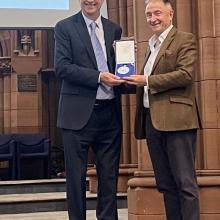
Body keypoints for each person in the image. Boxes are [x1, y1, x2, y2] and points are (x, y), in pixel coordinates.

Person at [124, 0, 200, 219]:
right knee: (166, 184)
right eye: (148, 15)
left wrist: (146, 79)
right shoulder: (152, 45)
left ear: (171, 14)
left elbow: (185, 75)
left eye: (157, 13)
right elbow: (144, 82)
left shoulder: (184, 39)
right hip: (151, 121)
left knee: (185, 184)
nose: (152, 19)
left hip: (177, 121)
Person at [54, 0, 125, 219]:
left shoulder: (114, 29)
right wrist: (98, 76)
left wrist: (125, 60)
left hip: (109, 113)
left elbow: (117, 69)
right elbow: (62, 67)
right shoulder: (64, 27)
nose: (90, 0)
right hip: (77, 115)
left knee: (109, 178)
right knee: (76, 179)